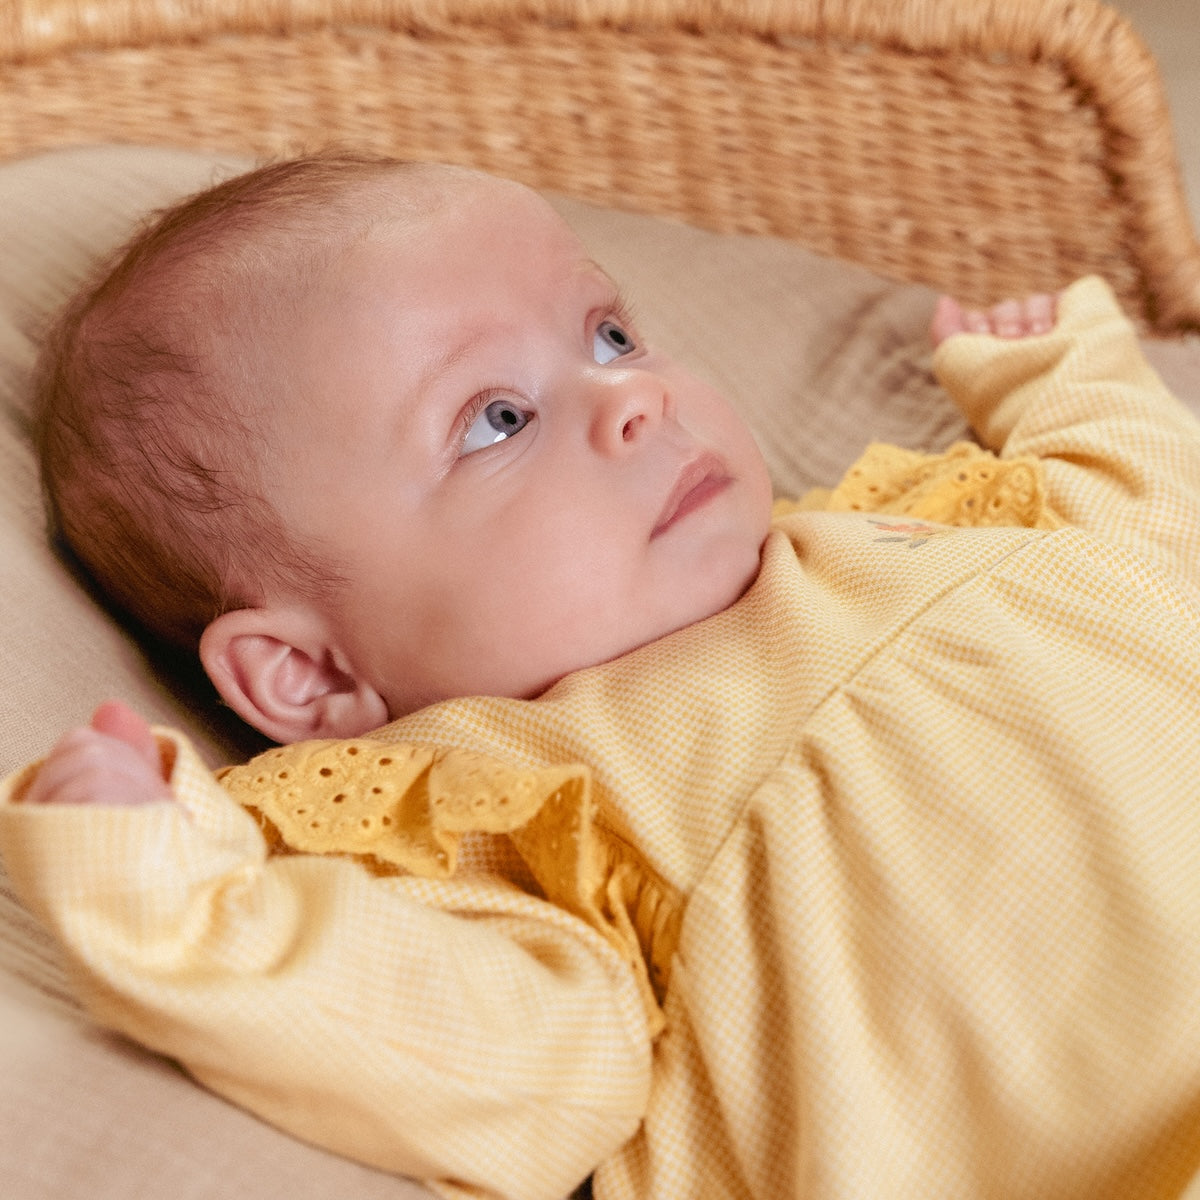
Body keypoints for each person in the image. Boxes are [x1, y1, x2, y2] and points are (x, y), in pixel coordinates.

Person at [4, 153, 1200, 1200]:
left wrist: (1066, 381)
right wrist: (183, 901)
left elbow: (1146, 529)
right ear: (310, 675)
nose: (634, 399)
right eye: (497, 420)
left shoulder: (906, 525)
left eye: (611, 335)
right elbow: (511, 1064)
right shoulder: (526, 801)